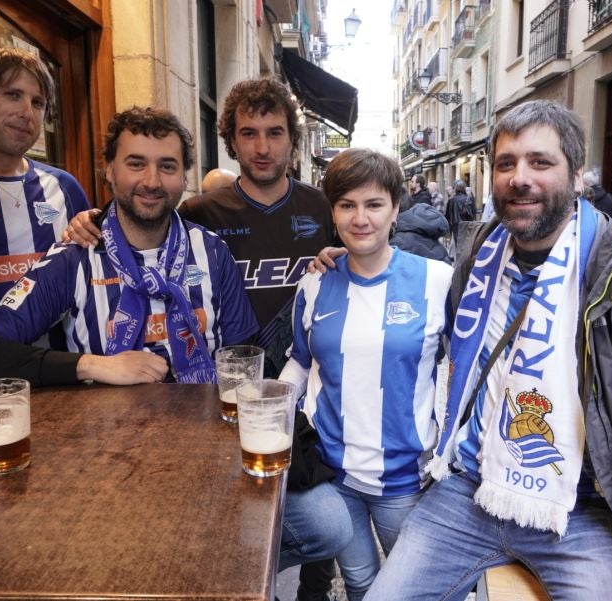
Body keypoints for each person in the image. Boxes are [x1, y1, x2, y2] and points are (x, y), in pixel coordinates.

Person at [364, 100, 612, 600]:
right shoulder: (481, 259)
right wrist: (344, 262)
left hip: (581, 512)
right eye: (506, 163)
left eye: (541, 162)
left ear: (577, 177)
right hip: (466, 491)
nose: (520, 178)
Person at [63, 77, 348, 601]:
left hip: (309, 385)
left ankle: (302, 589)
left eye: (275, 132)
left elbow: (360, 259)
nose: (262, 147)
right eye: (248, 133)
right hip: (225, 396)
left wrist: (341, 260)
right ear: (231, 141)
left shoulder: (322, 205)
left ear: (293, 140)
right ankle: (222, 574)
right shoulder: (201, 214)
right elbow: (143, 222)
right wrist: (90, 220)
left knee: (323, 518)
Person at [0, 106, 258, 387]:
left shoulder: (213, 252)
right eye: (136, 164)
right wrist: (93, 366)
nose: (151, 181)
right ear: (109, 169)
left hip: (200, 436)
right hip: (107, 443)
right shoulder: (75, 258)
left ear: (184, 176)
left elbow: (244, 359)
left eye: (167, 166)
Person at [279, 148, 453, 601]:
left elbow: (466, 367)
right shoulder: (314, 282)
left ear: (396, 208)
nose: (361, 219)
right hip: (334, 477)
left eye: (374, 204)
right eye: (347, 205)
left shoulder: (437, 280)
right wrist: (267, 408)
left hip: (406, 478)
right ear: (333, 212)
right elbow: (301, 360)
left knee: (414, 590)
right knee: (358, 582)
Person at [0, 46, 91, 310]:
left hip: (64, 351)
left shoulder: (64, 187)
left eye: (38, 103)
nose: (26, 113)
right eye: (12, 95)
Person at [444, 179, 470, 245]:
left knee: (458, 245)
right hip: (467, 225)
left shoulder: (451, 200)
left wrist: (448, 231)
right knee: (466, 245)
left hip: (456, 227)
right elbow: (472, 214)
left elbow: (447, 216)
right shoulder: (468, 199)